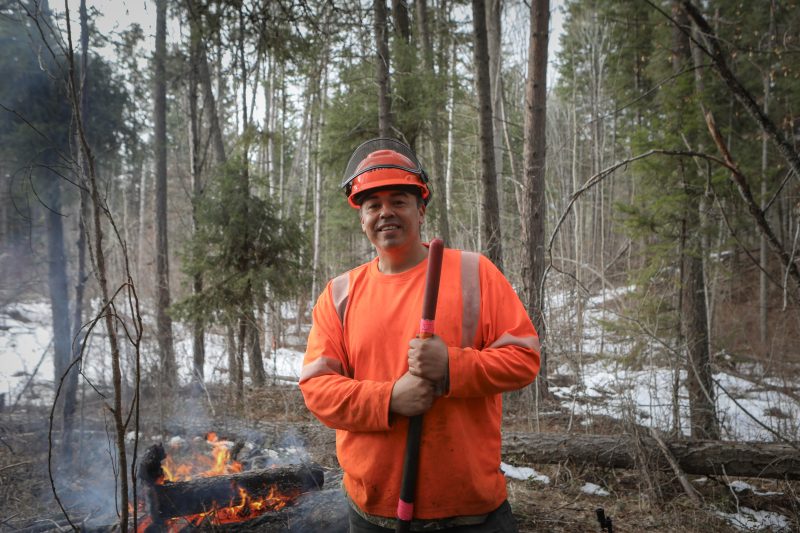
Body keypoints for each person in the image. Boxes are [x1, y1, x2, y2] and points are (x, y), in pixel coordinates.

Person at [299, 138, 540, 532]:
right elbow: (318, 390)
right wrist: (389, 398)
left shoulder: (472, 273)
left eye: (399, 201)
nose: (386, 213)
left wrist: (452, 366)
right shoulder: (340, 294)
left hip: (470, 512)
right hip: (374, 512)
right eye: (373, 205)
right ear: (361, 218)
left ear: (421, 209)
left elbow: (524, 358)